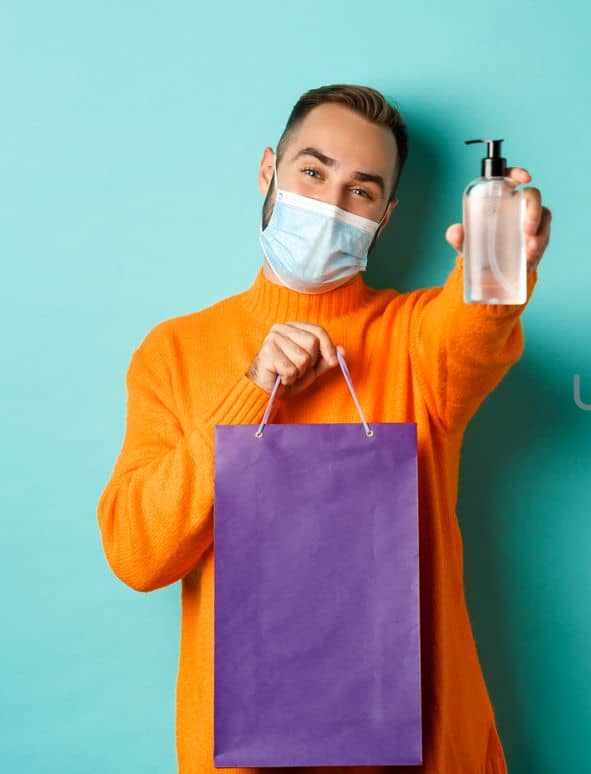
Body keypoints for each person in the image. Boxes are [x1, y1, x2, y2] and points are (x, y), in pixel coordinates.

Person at [95, 83, 553, 774]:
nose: (331, 204)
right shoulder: (176, 351)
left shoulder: (416, 339)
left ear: (386, 214)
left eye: (361, 192)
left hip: (426, 753)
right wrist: (250, 393)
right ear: (267, 172)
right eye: (313, 172)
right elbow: (138, 554)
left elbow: (474, 326)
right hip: (243, 759)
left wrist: (499, 271)